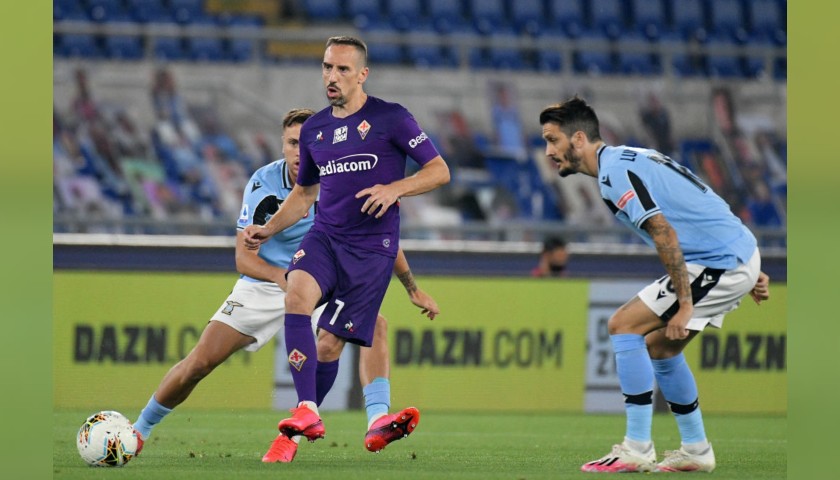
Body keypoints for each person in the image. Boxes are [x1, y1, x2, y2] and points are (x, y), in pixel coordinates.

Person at [131, 108, 440, 463]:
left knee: (372, 326)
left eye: (305, 142)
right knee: (199, 362)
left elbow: (380, 237)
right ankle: (139, 430)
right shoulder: (263, 184)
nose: (299, 151)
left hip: (323, 278)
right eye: (293, 143)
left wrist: (411, 287)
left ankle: (362, 424)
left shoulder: (343, 179)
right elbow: (244, 258)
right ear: (282, 145)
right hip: (268, 283)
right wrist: (286, 277)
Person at [243, 36, 450, 461]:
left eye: (341, 69)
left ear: (362, 74)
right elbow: (303, 197)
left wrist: (396, 189)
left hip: (372, 248)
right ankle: (306, 410)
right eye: (326, 67)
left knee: (329, 347)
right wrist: (267, 229)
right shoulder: (316, 128)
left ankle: (320, 430)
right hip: (325, 237)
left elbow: (439, 170)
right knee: (296, 296)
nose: (331, 77)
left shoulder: (392, 119)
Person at [539, 96, 771, 473]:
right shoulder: (629, 156)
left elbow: (662, 230)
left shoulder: (615, 174)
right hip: (730, 253)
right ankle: (696, 449)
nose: (549, 151)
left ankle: (637, 447)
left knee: (622, 325)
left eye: (553, 140)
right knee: (661, 349)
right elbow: (696, 197)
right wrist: (748, 261)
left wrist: (686, 303)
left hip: (718, 260)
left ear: (578, 139)